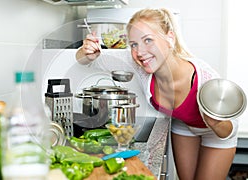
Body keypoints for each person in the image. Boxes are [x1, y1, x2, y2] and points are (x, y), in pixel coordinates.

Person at [76, 8, 238, 180]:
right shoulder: (138, 64)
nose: (140, 52)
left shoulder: (205, 79)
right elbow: (90, 60)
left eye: (148, 40)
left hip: (216, 132)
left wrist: (215, 122)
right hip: (184, 126)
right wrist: (86, 51)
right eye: (134, 44)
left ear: (170, 38)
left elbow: (230, 130)